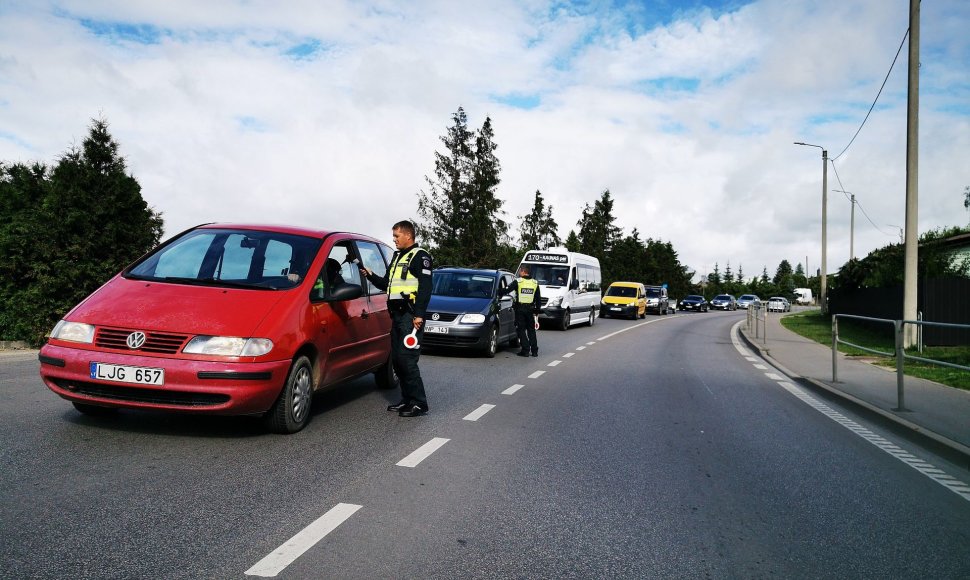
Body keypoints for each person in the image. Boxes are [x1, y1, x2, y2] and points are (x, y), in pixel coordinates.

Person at [360, 220, 432, 417]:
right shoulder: (398, 256)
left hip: (410, 316)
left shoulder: (420, 257)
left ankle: (419, 403)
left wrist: (419, 315)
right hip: (398, 316)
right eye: (393, 236)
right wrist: (370, 275)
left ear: (408, 236)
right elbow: (387, 284)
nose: (394, 240)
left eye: (397, 236)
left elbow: (426, 288)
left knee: (407, 361)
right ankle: (407, 400)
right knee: (398, 361)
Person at [501, 265, 542, 357]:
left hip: (520, 309)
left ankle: (526, 350)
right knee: (531, 330)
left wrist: (498, 292)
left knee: (521, 330)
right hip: (530, 309)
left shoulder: (519, 281)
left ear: (523, 272)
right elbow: (538, 298)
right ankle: (534, 351)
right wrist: (537, 311)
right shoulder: (535, 283)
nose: (519, 273)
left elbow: (507, 290)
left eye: (520, 271)